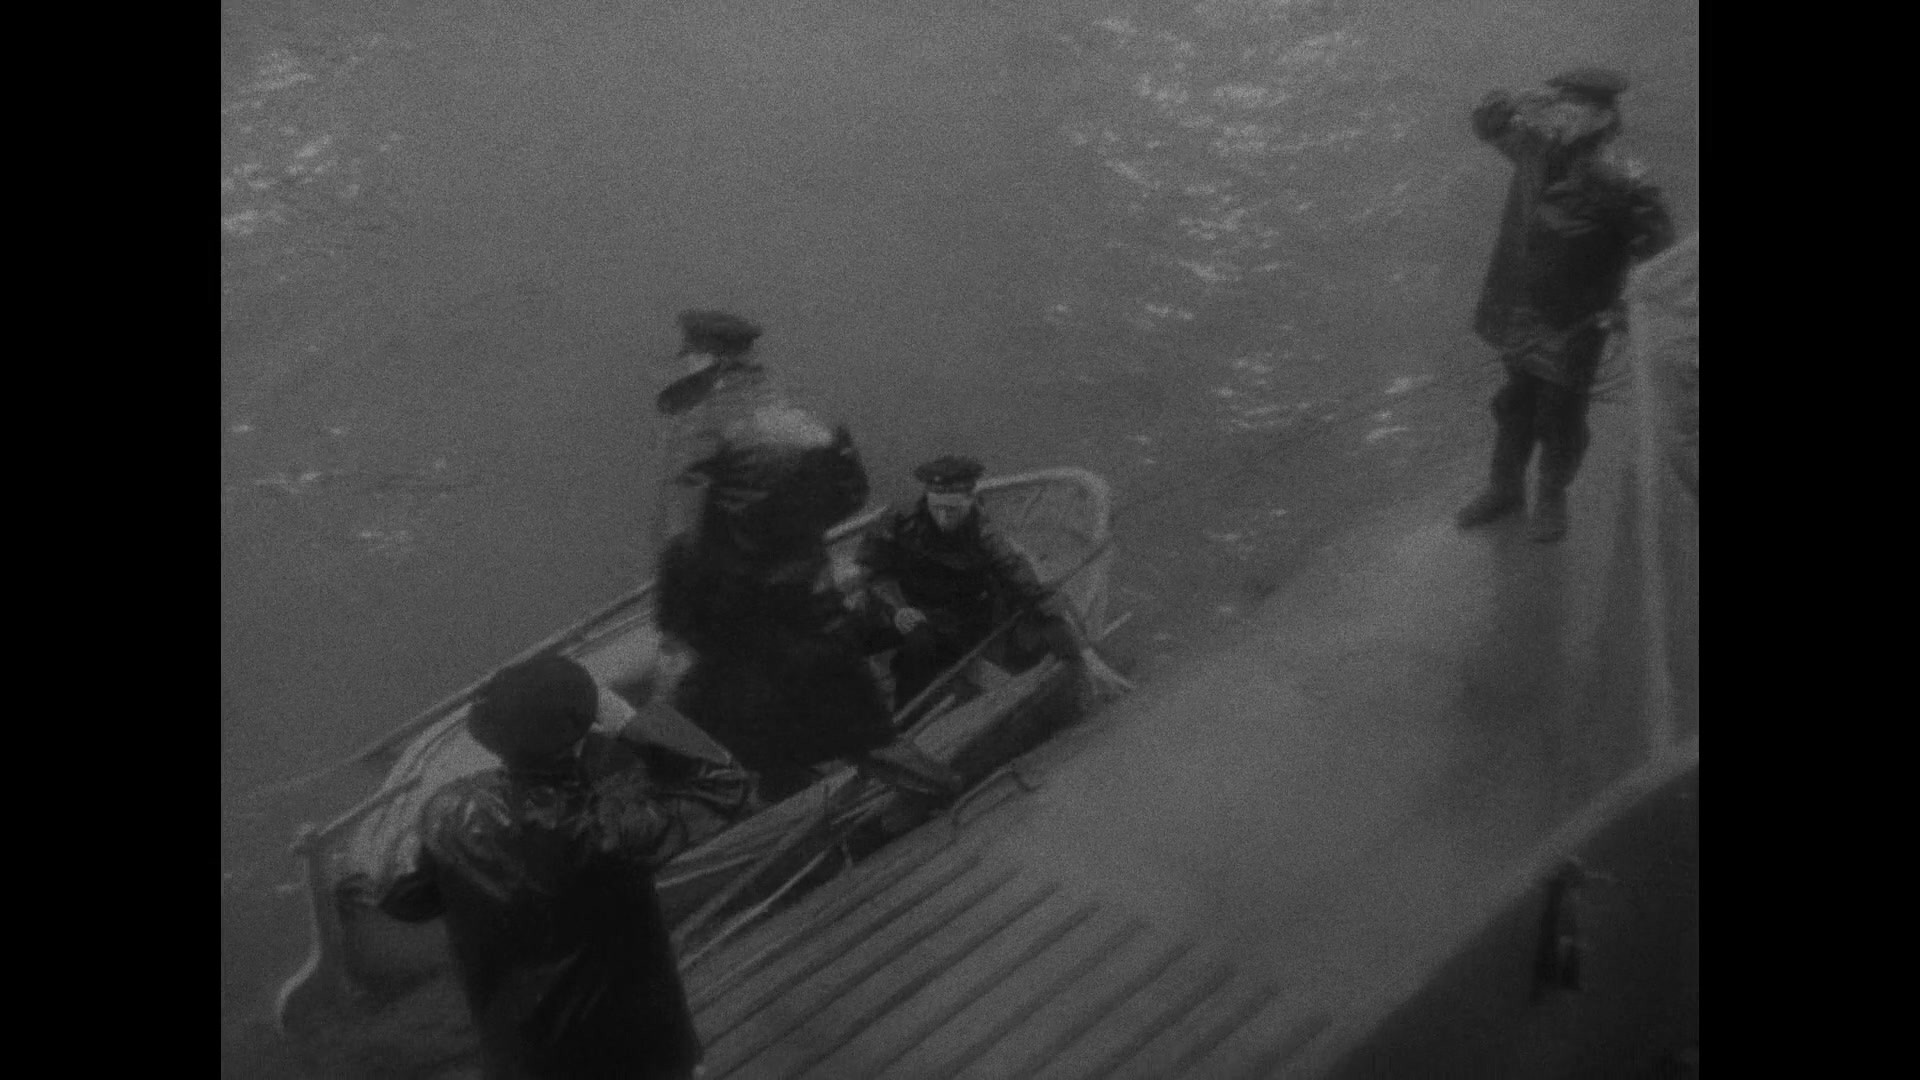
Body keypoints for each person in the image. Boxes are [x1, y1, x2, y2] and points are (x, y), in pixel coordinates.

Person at [362, 655, 723, 1080]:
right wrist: (627, 720)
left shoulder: (448, 814)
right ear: (580, 736)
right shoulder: (610, 827)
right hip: (644, 1059)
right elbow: (722, 783)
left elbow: (403, 900)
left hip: (527, 1066)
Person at [654, 406, 960, 800]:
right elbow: (847, 494)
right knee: (855, 738)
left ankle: (812, 785)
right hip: (794, 657)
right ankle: (813, 786)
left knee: (830, 736)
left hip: (781, 663)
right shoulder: (781, 498)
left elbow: (682, 626)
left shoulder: (699, 539)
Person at [1456, 67, 1677, 542]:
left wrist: (1621, 307)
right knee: (1515, 402)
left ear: (1602, 116)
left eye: (1572, 107)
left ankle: (1551, 496)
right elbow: (1487, 125)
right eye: (1557, 104)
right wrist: (1510, 99)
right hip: (1521, 308)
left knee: (1561, 414)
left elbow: (1658, 252)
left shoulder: (1622, 180)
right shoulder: (1534, 148)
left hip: (1575, 319)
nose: (1560, 115)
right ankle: (1505, 487)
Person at [856, 454, 1132, 713]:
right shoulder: (897, 519)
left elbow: (1014, 570)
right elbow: (873, 571)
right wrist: (899, 608)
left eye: (952, 510)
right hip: (902, 606)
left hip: (958, 613)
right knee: (892, 644)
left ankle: (1083, 666)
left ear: (970, 501)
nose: (943, 517)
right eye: (937, 508)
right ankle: (901, 710)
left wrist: (1073, 639)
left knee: (1032, 628)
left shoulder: (982, 531)